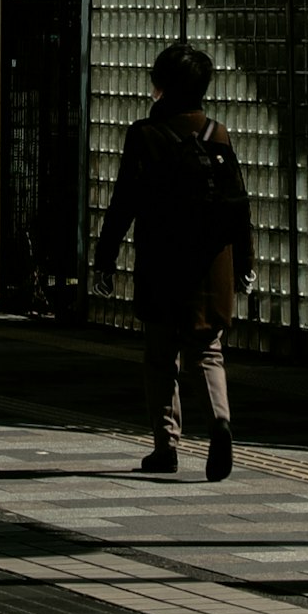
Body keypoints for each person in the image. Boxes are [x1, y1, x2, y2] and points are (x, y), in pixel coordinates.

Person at [91, 41, 252, 479]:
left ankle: (166, 446)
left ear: (161, 84)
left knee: (161, 354)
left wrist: (104, 257)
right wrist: (245, 262)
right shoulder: (216, 132)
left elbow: (124, 201)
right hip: (212, 263)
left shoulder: (145, 134)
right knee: (209, 350)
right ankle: (220, 419)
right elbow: (238, 203)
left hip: (162, 258)